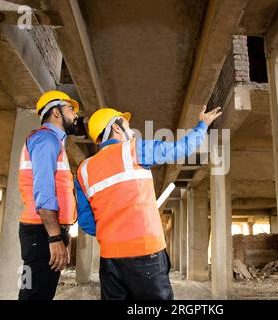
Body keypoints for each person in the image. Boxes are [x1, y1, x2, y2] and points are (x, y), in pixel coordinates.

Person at [75, 105, 222, 300]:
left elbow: (85, 222)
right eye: (127, 125)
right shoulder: (134, 149)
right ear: (116, 128)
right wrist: (202, 125)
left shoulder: (84, 170)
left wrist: (112, 233)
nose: (131, 131)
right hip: (145, 253)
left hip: (110, 258)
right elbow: (180, 149)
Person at [18, 90, 79, 300]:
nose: (76, 115)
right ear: (56, 112)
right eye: (70, 109)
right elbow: (44, 190)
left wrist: (62, 234)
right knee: (35, 295)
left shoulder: (53, 141)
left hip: (43, 230)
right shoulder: (46, 139)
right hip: (41, 231)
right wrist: (54, 237)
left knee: (34, 293)